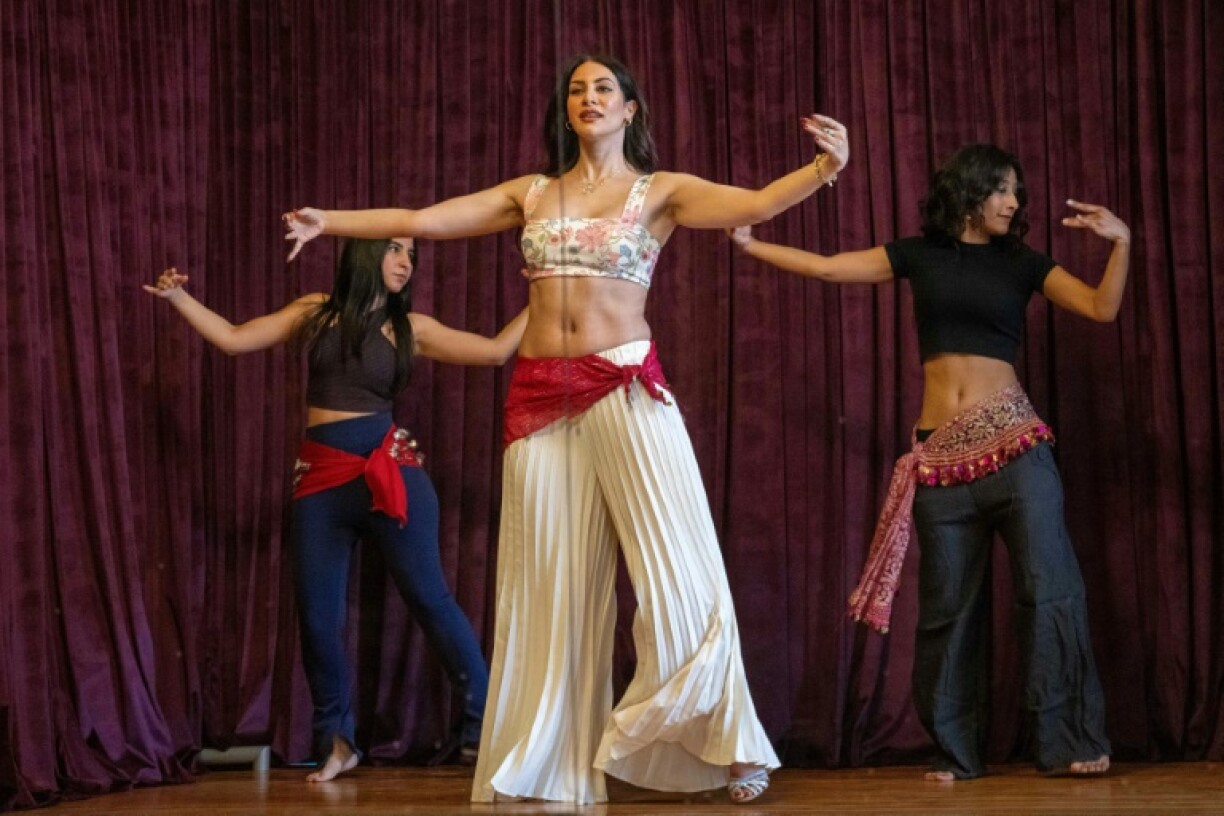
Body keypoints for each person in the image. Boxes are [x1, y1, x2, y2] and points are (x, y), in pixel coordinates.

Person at [282, 53, 849, 804]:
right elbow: (425, 220)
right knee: (544, 579)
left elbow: (752, 202)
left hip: (622, 378)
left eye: (603, 89)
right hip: (541, 395)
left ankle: (723, 740)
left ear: (630, 110)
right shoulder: (533, 193)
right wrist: (332, 222)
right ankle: (548, 758)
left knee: (678, 563)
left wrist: (822, 169)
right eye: (577, 90)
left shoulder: (660, 192)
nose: (589, 98)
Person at [728, 143, 1126, 781]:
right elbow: (831, 269)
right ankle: (955, 753)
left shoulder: (1021, 262)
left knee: (1049, 592)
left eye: (1015, 192)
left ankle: (1072, 741)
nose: (1014, 202)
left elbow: (1102, 309)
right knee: (946, 611)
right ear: (970, 192)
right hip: (940, 464)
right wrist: (754, 248)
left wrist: (1122, 244)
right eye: (1002, 189)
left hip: (1017, 451)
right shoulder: (917, 255)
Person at [145, 237, 528, 782]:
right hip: (322, 481)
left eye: (412, 256)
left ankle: (482, 725)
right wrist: (180, 300)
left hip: (391, 473)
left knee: (431, 599)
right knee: (318, 617)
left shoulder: (411, 328)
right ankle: (338, 742)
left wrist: (545, 293)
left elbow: (494, 351)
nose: (406, 263)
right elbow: (233, 339)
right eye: (397, 251)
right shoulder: (315, 312)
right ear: (365, 255)